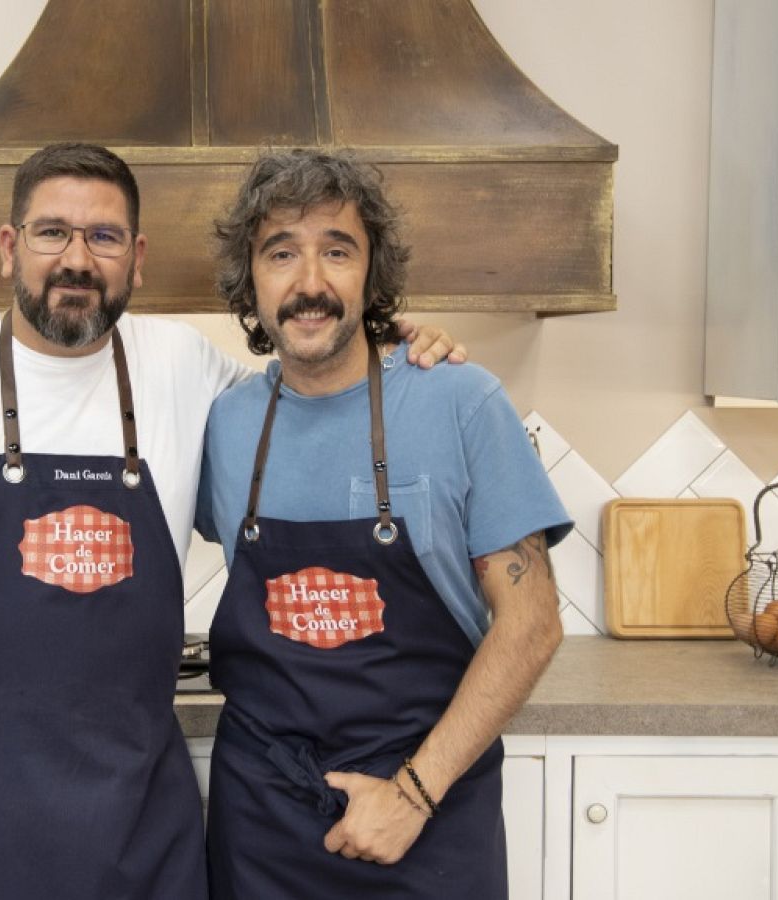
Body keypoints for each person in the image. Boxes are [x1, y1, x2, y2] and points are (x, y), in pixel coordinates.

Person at [0, 142, 462, 900]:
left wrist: (387, 341)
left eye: (103, 237)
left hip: (136, 835)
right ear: (10, 247)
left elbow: (314, 391)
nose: (77, 259)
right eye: (52, 232)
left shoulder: (185, 368)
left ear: (136, 258)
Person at [196, 149, 570, 899]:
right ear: (252, 281)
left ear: (371, 274)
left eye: (337, 251)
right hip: (262, 822)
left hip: (427, 815)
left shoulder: (459, 399)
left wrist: (411, 795)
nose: (310, 284)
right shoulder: (228, 425)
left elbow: (531, 623)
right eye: (281, 254)